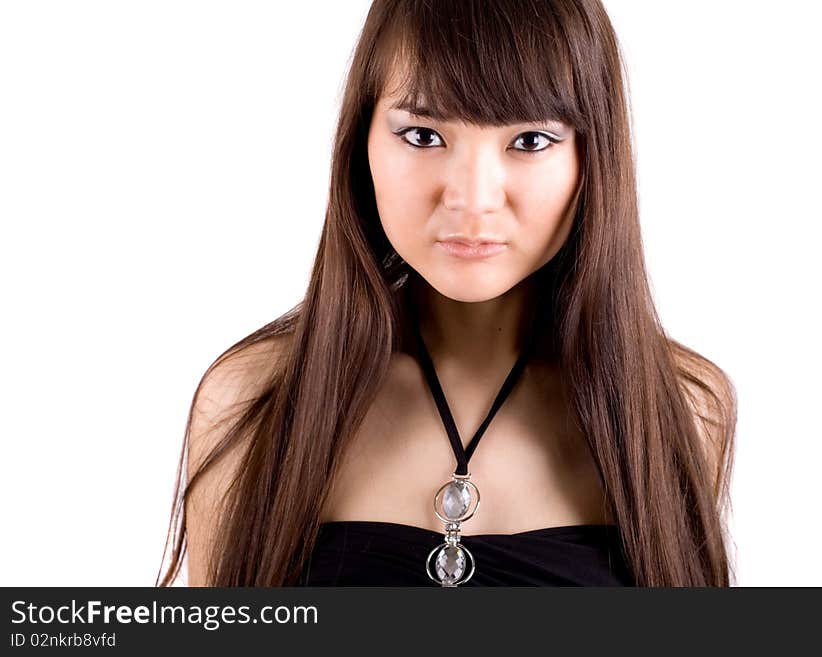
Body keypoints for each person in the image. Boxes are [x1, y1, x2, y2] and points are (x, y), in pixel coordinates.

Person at [157, 0, 737, 587]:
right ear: (361, 145)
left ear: (594, 159)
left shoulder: (680, 409)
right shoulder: (256, 403)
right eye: (423, 134)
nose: (473, 198)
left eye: (531, 141)